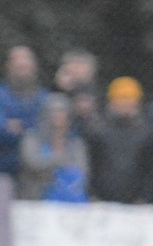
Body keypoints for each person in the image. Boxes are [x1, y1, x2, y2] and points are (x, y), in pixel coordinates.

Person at [86, 75, 153, 204]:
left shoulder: (148, 132)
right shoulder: (97, 130)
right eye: (120, 98)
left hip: (137, 205)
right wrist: (93, 194)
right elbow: (92, 165)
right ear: (111, 100)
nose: (125, 103)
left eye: (129, 98)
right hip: (102, 202)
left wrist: (145, 197)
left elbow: (152, 170)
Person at [18, 92, 90, 202]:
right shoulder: (33, 137)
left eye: (62, 111)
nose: (58, 115)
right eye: (54, 111)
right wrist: (58, 160)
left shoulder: (75, 142)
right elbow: (31, 162)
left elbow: (82, 169)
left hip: (68, 197)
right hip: (36, 196)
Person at [0, 44, 50, 180]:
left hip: (37, 173)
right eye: (18, 66)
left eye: (25, 66)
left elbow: (50, 130)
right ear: (8, 66)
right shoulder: (1, 94)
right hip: (4, 169)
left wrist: (20, 128)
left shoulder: (44, 97)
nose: (21, 68)